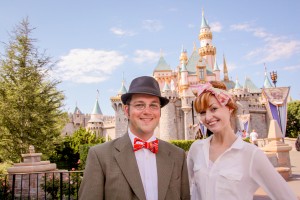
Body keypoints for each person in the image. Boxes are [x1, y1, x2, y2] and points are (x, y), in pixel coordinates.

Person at [79, 76, 190, 200]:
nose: (147, 111)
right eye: (139, 105)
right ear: (126, 111)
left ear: (159, 112)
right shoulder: (100, 156)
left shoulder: (177, 155)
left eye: (153, 106)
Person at [187, 81, 297, 200]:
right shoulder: (196, 149)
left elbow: (286, 196)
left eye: (214, 109)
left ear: (229, 108)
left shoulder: (251, 154)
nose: (207, 117)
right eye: (202, 112)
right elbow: (186, 190)